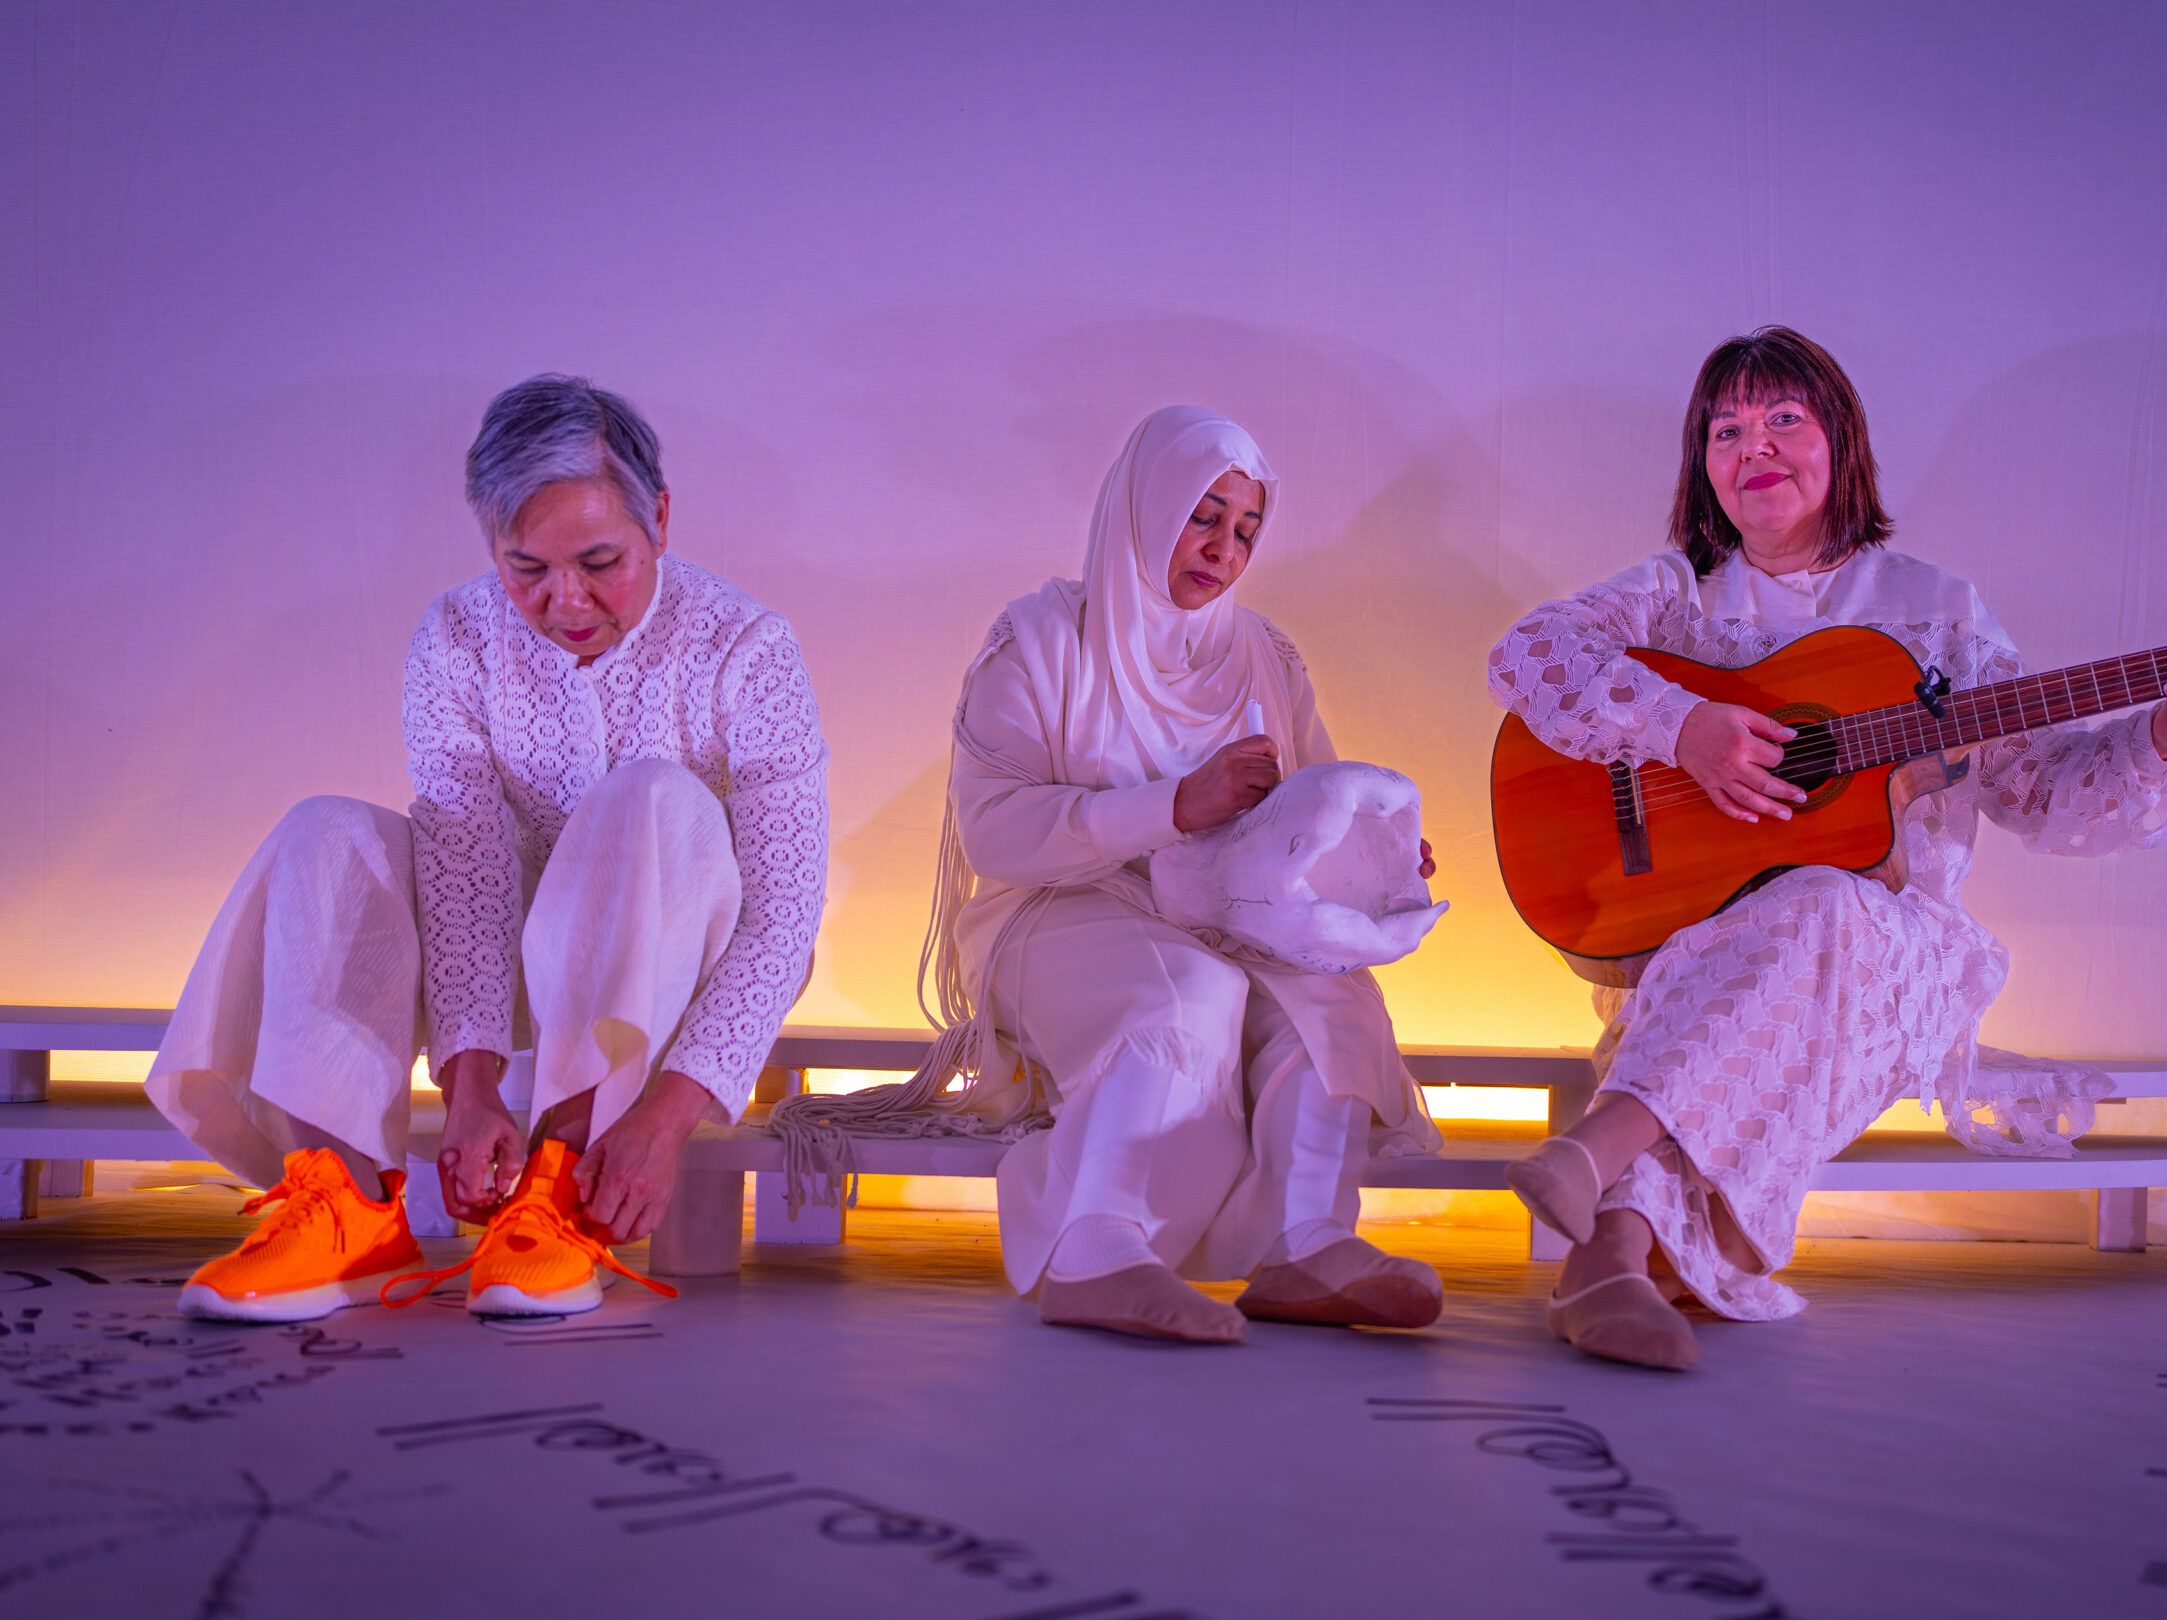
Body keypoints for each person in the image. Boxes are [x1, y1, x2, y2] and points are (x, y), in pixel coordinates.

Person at [1487, 327, 2167, 1370]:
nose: (1754, 446)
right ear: (1703, 464)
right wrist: (1684, 726)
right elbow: (1528, 653)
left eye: (1783, 418)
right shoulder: (1675, 596)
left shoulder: (1936, 615)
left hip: (1893, 957)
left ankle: (1599, 1195)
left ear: (1840, 440)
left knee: (1826, 902)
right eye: (1726, 430)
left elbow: (2040, 792)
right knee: (1775, 933)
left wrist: (2161, 739)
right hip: (1704, 946)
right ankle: (1611, 1261)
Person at [146, 374, 829, 1321]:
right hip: (502, 958)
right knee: (325, 830)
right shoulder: (456, 637)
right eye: (527, 567)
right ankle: (343, 1201)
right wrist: (470, 1085)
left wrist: (666, 1116)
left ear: (661, 520)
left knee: (651, 795)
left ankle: (561, 1192)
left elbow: (784, 916)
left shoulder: (747, 647)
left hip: (671, 971)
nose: (565, 599)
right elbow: (463, 861)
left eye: (600, 561)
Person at [784, 406, 1441, 1344]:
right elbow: (995, 831)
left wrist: (1372, 860)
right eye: (1202, 516)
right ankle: (1096, 1245)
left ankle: (1308, 1240)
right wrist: (1175, 804)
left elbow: (1311, 804)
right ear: (1144, 505)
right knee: (1187, 995)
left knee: (1330, 999)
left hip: (1232, 913)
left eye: (1245, 530)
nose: (1222, 550)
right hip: (1056, 907)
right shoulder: (1041, 640)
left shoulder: (1264, 655)